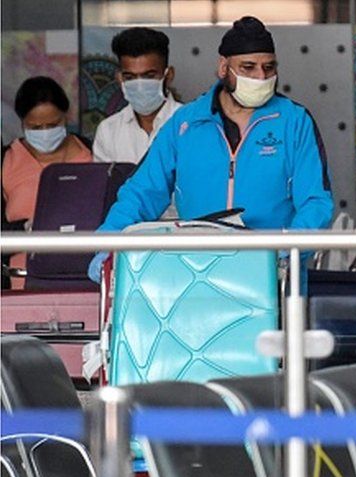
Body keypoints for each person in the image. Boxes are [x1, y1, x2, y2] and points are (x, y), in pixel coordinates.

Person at [88, 16, 334, 281]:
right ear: (223, 68)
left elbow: (316, 202)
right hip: (196, 274)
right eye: (248, 67)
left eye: (269, 68)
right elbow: (140, 193)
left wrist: (286, 253)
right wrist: (108, 245)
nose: (261, 77)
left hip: (274, 274)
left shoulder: (294, 121)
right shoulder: (186, 124)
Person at [2, 76, 93, 289]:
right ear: (22, 123)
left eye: (52, 124)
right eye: (35, 127)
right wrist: (25, 228)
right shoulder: (6, 161)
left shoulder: (92, 152)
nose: (44, 133)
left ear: (66, 116)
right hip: (20, 283)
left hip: (83, 278)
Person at [92, 27, 182, 164]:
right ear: (120, 78)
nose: (139, 84)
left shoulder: (190, 123)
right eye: (130, 77)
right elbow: (104, 184)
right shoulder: (108, 130)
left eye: (149, 76)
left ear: (168, 75)